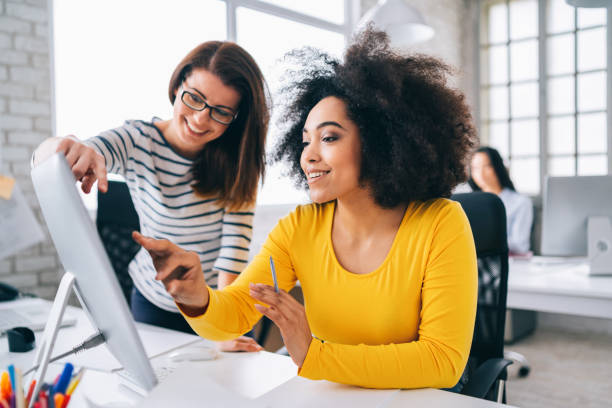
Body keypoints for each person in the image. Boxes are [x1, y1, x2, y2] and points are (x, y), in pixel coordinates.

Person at [133, 27, 478, 389]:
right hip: (335, 394)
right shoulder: (300, 227)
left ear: (379, 142)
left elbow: (442, 361)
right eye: (305, 140)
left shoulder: (441, 223)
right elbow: (235, 312)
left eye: (329, 137)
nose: (308, 156)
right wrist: (196, 296)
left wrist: (315, 354)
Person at [32, 41, 269, 352]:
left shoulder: (239, 163)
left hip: (208, 305)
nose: (200, 119)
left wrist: (222, 324)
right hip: (151, 300)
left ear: (236, 118)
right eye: (194, 98)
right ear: (178, 84)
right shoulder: (139, 140)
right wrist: (64, 148)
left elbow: (233, 253)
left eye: (220, 112)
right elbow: (61, 155)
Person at [469, 146, 533, 255]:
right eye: (475, 168)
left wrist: (483, 241)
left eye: (486, 166)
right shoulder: (469, 203)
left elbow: (520, 245)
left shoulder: (520, 202)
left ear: (498, 167)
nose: (481, 173)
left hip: (509, 263)